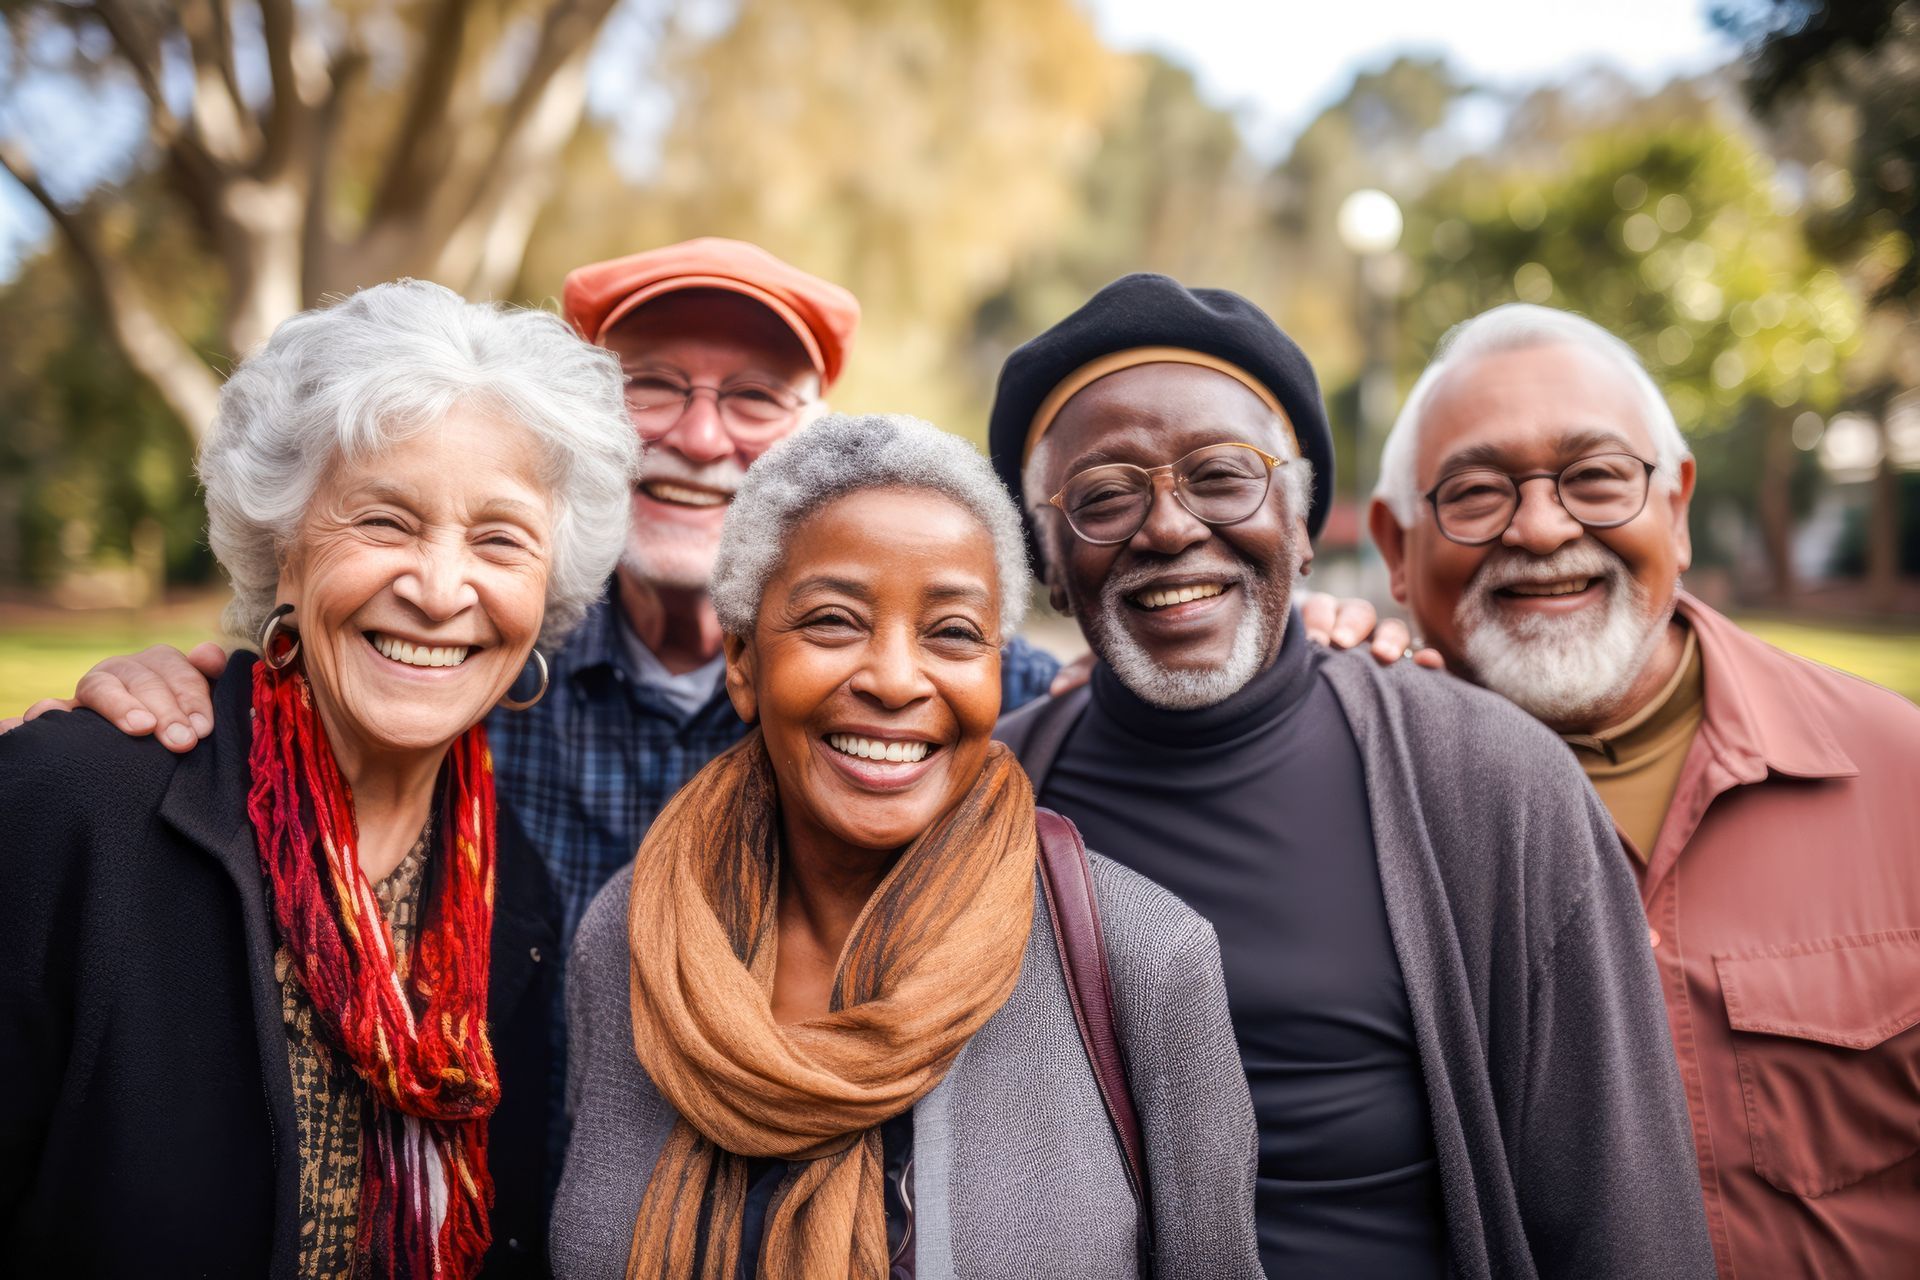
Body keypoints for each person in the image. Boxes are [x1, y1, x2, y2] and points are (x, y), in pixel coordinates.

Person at [989, 273, 1716, 1279]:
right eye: (1107, 495)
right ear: (1053, 562)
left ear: (1297, 521)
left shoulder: (1494, 788)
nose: (1167, 528)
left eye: (1222, 475)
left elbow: (1623, 1222)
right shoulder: (977, 802)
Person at [0, 280, 641, 1275]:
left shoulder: (510, 893)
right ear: (280, 549)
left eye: (498, 539)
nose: (437, 588)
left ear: (545, 592)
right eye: (384, 522)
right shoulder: (77, 808)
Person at [551, 412, 1261, 1279]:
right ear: (742, 662)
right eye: (834, 621)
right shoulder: (630, 936)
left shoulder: (1143, 957)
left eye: (953, 633)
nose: (893, 678)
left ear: (1001, 672)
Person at [1368, 302, 1920, 1279]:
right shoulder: (1342, 802)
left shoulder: (1902, 776)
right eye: (1474, 492)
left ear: (1679, 506)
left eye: (1595, 477)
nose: (1541, 527)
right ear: (1394, 547)